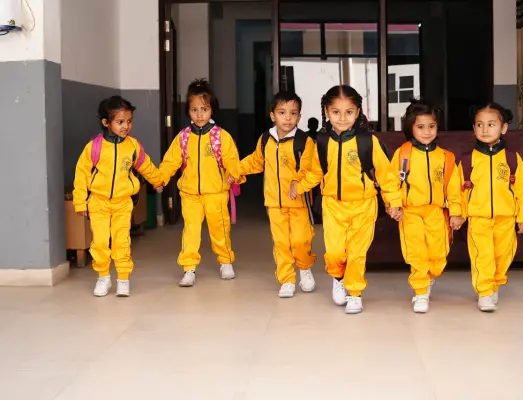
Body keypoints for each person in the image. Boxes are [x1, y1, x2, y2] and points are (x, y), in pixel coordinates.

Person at [290, 85, 403, 314]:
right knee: (335, 253)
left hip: (364, 206)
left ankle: (355, 293)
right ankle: (338, 277)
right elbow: (316, 172)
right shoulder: (322, 141)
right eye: (336, 112)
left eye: (349, 112)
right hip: (333, 206)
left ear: (358, 112)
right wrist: (299, 186)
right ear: (326, 112)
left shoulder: (368, 141)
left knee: (357, 253)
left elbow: (386, 175)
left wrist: (394, 202)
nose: (342, 119)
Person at [73, 96, 164, 297]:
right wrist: (80, 202)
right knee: (100, 242)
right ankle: (103, 277)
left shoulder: (133, 146)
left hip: (123, 203)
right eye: (120, 122)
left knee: (121, 241)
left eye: (129, 121)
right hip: (98, 203)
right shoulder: (94, 147)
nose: (126, 126)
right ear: (106, 122)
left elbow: (146, 166)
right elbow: (81, 175)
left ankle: (123, 278)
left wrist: (158, 181)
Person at [232, 92, 317, 298]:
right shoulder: (265, 140)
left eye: (293, 113)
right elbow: (255, 161)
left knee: (300, 241)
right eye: (282, 112)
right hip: (274, 203)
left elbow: (309, 168)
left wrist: (298, 183)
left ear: (299, 117)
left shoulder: (304, 141)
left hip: (299, 203)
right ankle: (287, 279)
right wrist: (235, 170)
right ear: (273, 115)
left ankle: (304, 267)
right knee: (281, 243)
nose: (287, 118)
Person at [159, 78, 243, 287]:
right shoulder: (183, 138)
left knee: (220, 230)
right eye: (194, 110)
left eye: (204, 109)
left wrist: (234, 174)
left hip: (216, 193)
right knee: (190, 232)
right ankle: (189, 268)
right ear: (188, 111)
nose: (199, 115)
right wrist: (160, 179)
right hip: (190, 195)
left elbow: (232, 159)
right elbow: (170, 161)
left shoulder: (221, 137)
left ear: (212, 110)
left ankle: (226, 262)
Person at [460, 102, 523, 312]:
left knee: (503, 256)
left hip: (506, 219)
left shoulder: (512, 160)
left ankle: (494, 284)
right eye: (479, 125)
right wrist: (458, 214)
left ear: (503, 128)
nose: (485, 129)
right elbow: (458, 191)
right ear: (474, 128)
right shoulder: (467, 161)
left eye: (491, 124)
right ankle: (484, 292)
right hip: (478, 219)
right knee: (482, 256)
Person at [390, 99, 464, 313]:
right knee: (416, 252)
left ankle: (429, 276)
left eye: (431, 126)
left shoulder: (446, 158)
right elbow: (391, 182)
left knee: (439, 255)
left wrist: (456, 213)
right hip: (410, 212)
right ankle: (420, 291)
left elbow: (454, 189)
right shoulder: (403, 154)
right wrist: (394, 205)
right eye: (420, 127)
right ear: (410, 128)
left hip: (436, 212)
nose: (427, 131)